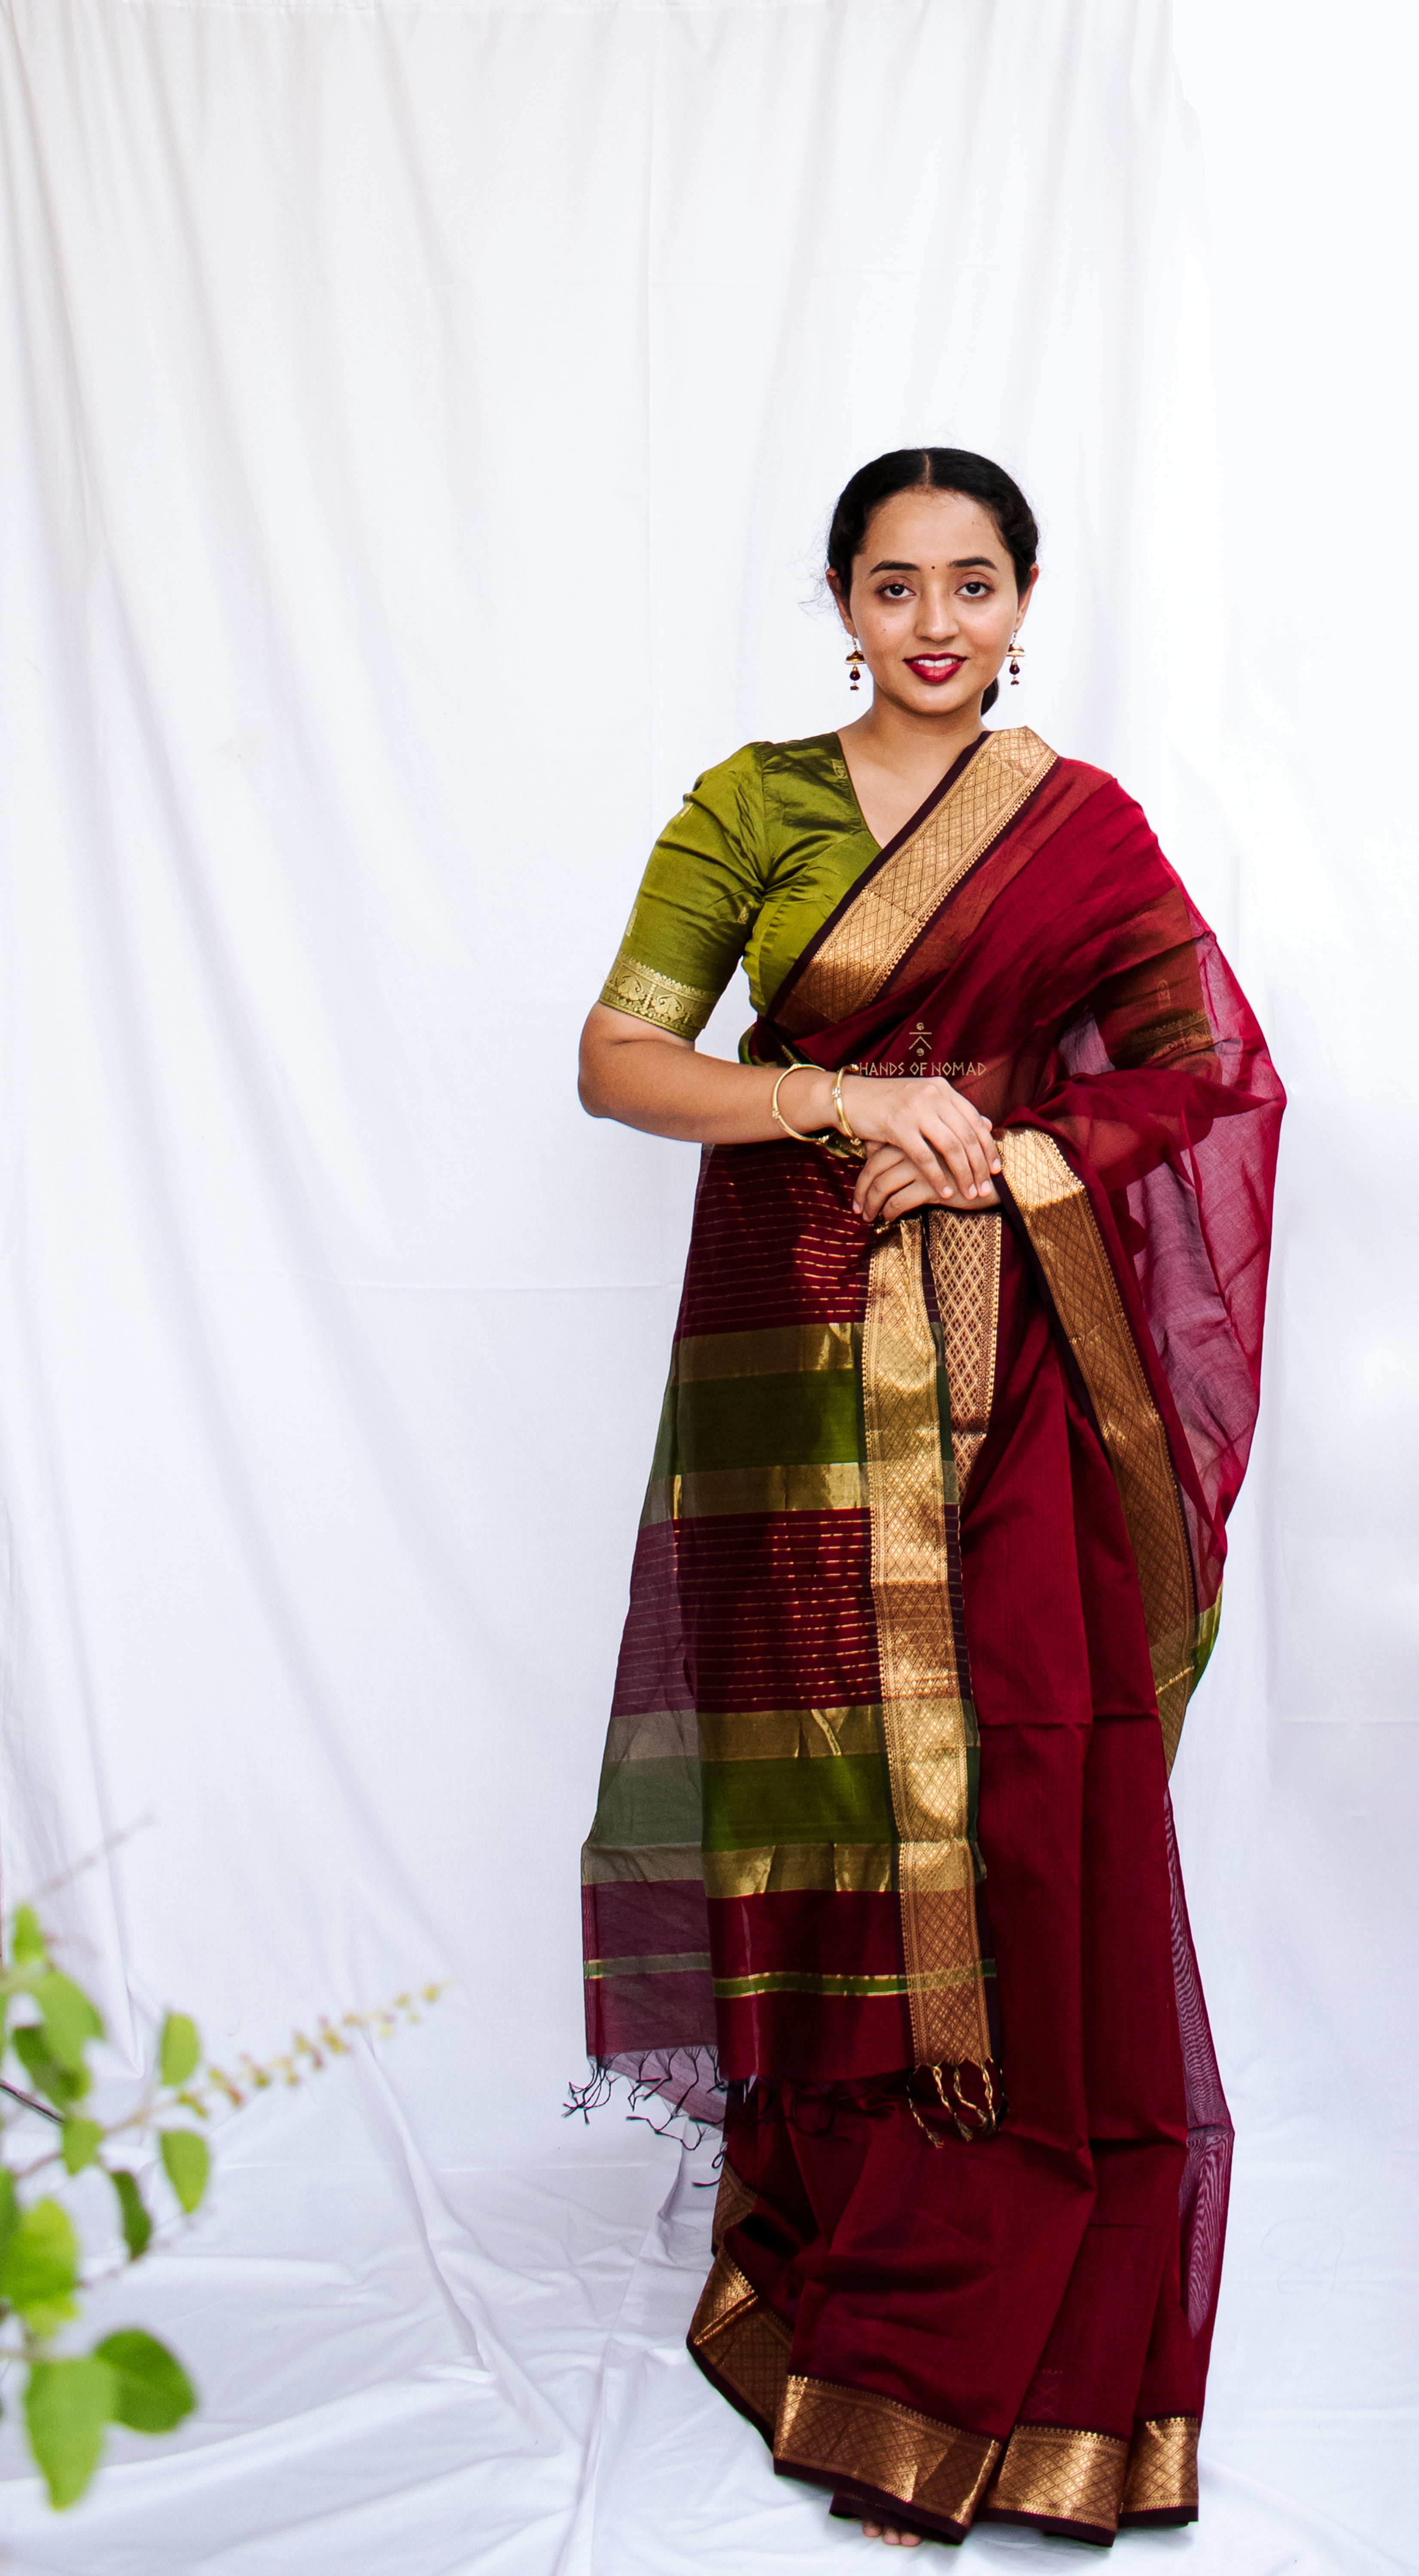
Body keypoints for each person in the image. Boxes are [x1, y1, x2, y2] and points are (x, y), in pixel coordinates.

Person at [576, 448, 1283, 2548]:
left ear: (1027, 593)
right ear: (840, 601)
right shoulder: (753, 806)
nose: (936, 622)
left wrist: (996, 1145)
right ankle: (837, 2247)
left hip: (1019, 1380)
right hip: (787, 1371)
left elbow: (1205, 1071)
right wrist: (844, 1094)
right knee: (828, 1785)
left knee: (1023, 1781)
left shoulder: (1082, 830)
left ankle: (1021, 2255)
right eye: (896, 585)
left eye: (972, 582)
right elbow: (623, 1057)